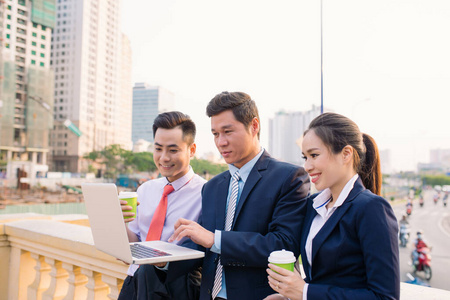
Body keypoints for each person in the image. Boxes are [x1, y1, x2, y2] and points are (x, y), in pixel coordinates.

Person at [147, 91, 310, 300]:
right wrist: (165, 260)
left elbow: (283, 244)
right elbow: (202, 246)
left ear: (254, 126)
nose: (220, 142)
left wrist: (216, 239)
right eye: (215, 134)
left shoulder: (289, 177)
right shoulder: (213, 187)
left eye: (227, 131)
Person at [265, 112, 400, 300]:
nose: (307, 166)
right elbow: (324, 278)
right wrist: (289, 296)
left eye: (314, 155)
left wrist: (305, 293)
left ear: (346, 154)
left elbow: (384, 297)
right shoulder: (314, 205)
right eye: (305, 157)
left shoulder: (372, 209)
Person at [117, 111, 206, 300]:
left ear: (191, 150)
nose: (164, 158)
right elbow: (135, 242)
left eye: (173, 150)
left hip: (175, 286)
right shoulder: (145, 189)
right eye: (158, 149)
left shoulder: (205, 192)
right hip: (134, 280)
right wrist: (120, 222)